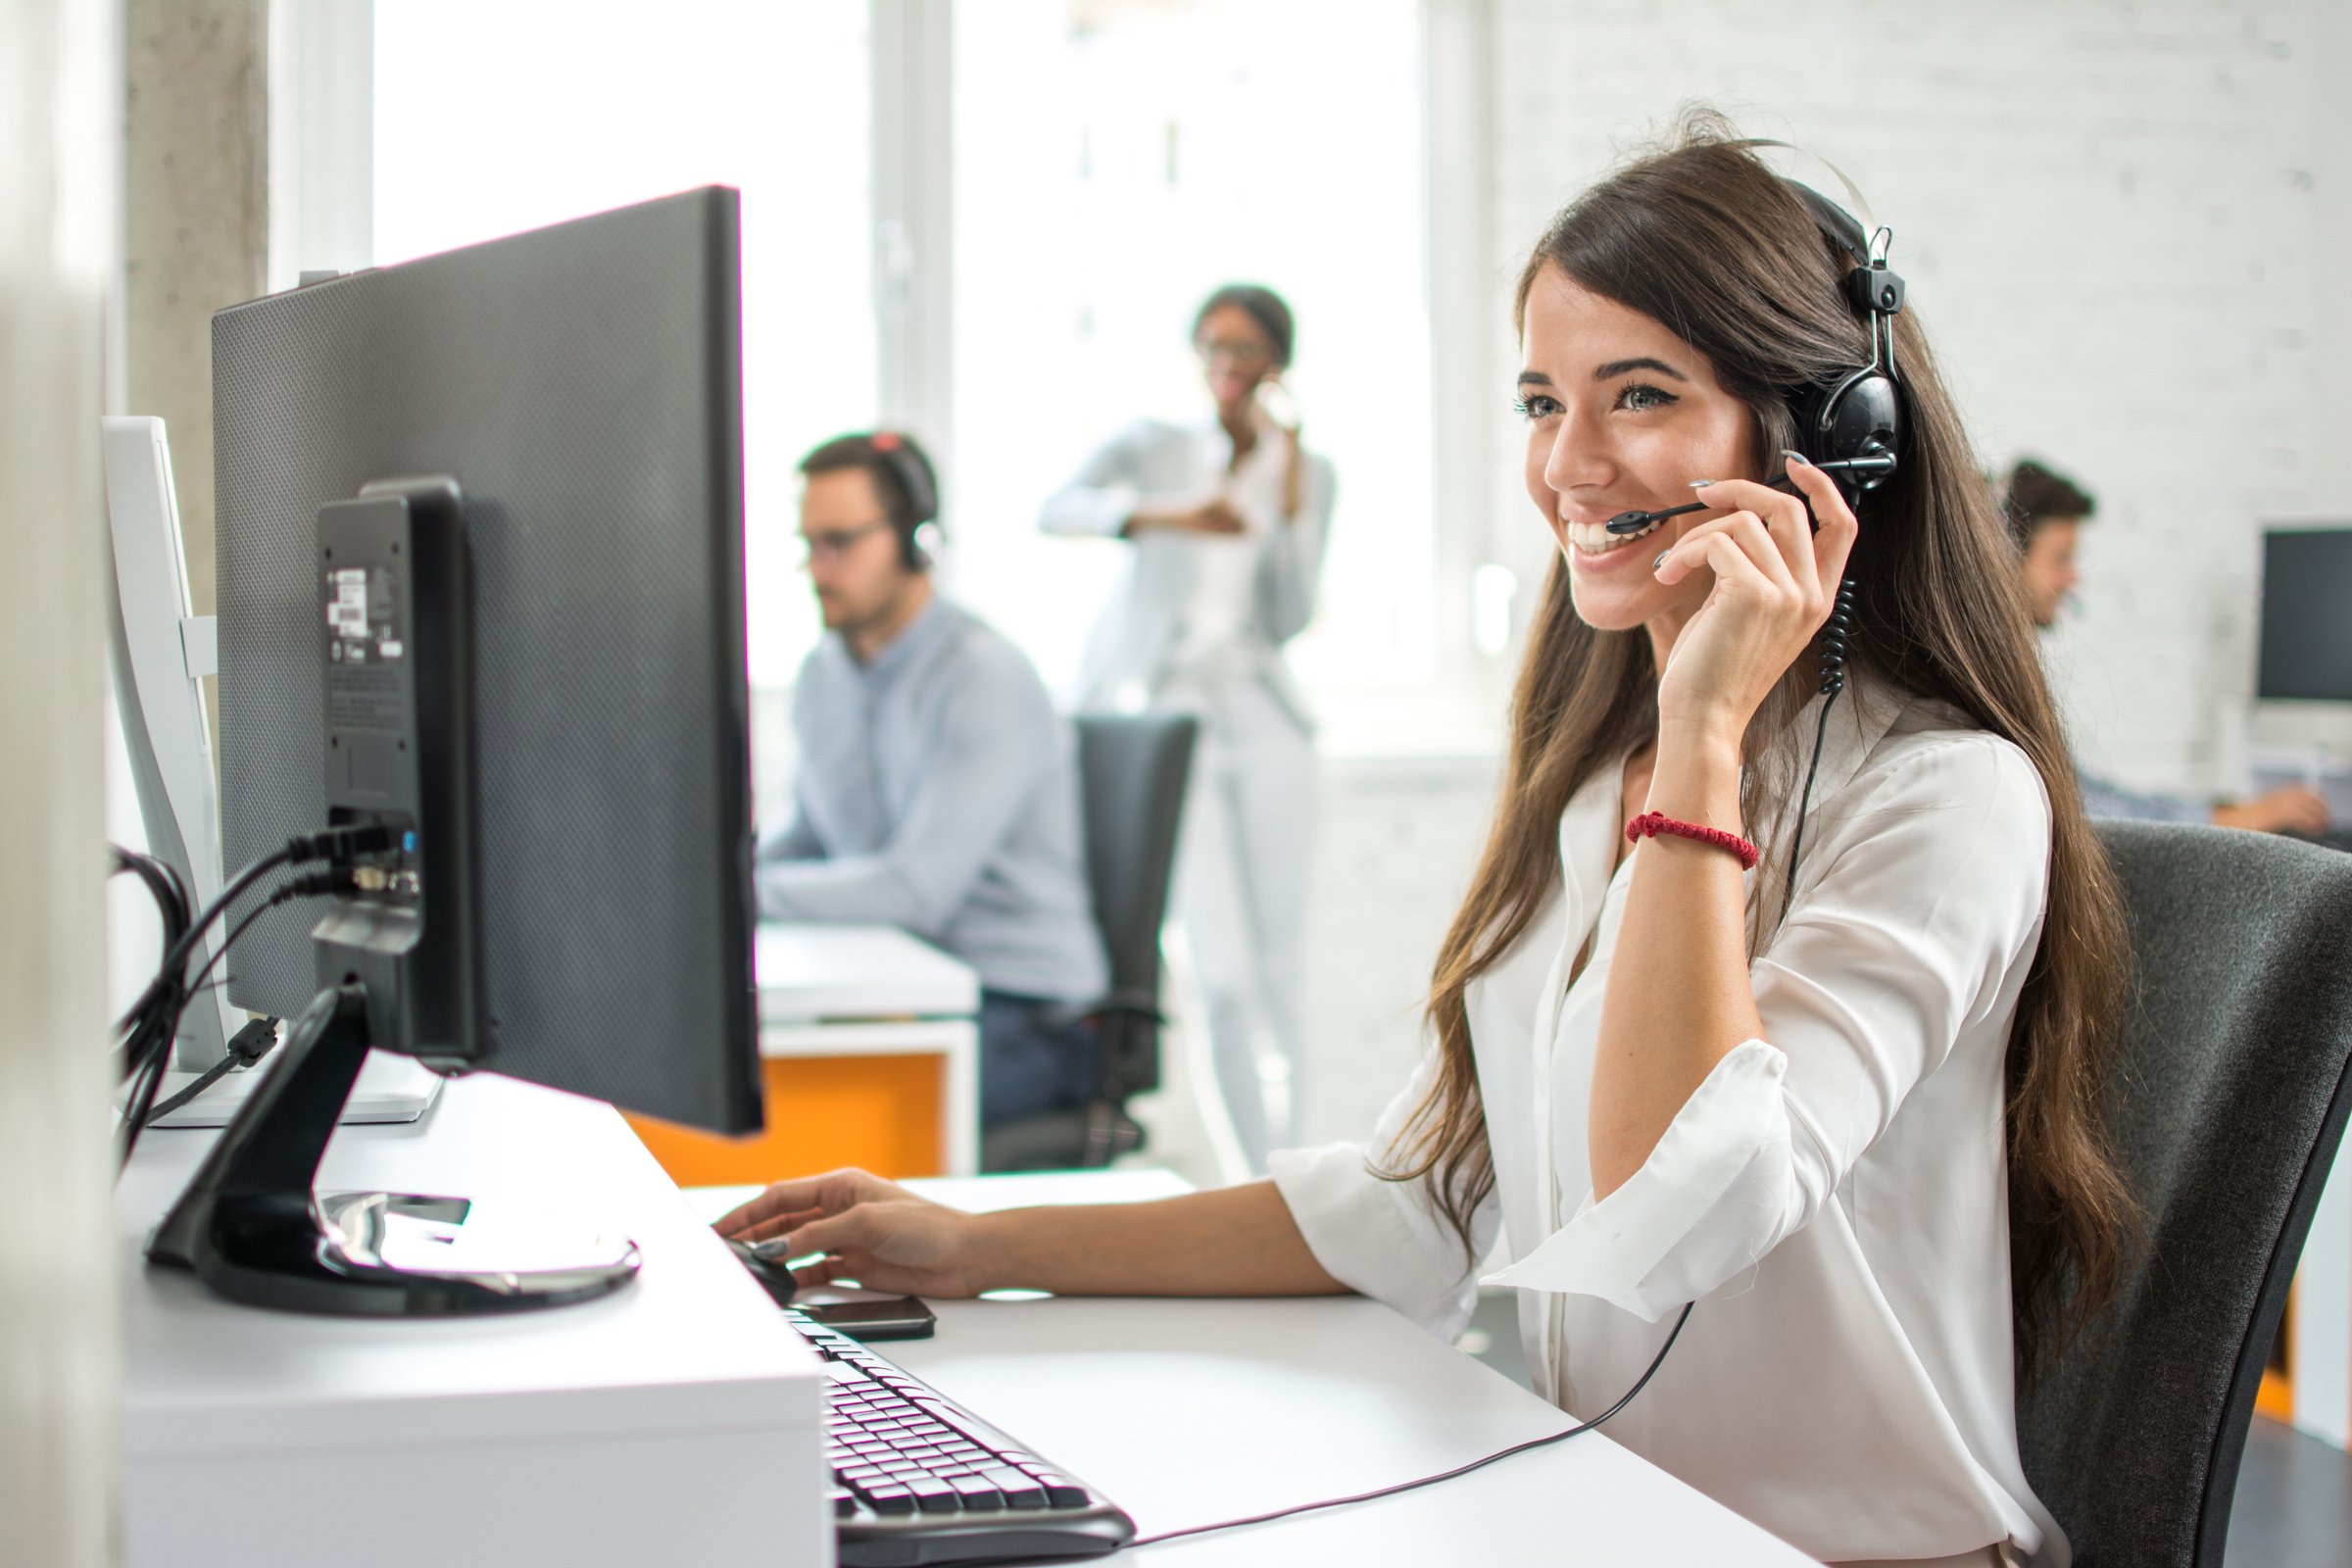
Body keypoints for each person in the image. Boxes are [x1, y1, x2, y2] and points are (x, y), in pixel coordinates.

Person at [723, 123, 2137, 1567]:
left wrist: (1707, 724)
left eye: (1638, 394)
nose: (1568, 468)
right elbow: (1424, 1197)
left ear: (1833, 438)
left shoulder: (1946, 799)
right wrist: (973, 1247)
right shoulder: (1601, 788)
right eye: (1542, 401)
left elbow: (1686, 1215)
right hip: (1621, 1524)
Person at [1039, 284, 1338, 1170]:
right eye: (1211, 345)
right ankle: (1255, 1180)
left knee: (1283, 969)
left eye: (1244, 349)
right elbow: (1055, 508)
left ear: (1276, 363)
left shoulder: (1306, 470)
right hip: (1169, 714)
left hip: (1263, 712)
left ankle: (1300, 1172)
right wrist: (1167, 515)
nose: (1225, 364)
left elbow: (1288, 616)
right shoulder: (1155, 447)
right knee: (1221, 975)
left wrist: (1288, 504)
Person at [756, 431, 1108, 1138]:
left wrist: (735, 899)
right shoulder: (824, 672)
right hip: (906, 986)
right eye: (808, 544)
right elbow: (814, 836)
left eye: (840, 543)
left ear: (916, 540)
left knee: (796, 1116)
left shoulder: (983, 677)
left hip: (1027, 1014)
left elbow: (915, 892)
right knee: (753, 1076)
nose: (818, 569)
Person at [2005, 457, 2331, 834]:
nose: (2072, 578)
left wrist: (2220, 812)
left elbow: (2091, 795)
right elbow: (2093, 819)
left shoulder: (2014, 669)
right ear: (2004, 557)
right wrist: (2237, 820)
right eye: (2061, 558)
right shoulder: (1996, 680)